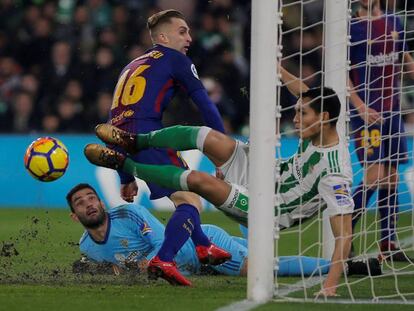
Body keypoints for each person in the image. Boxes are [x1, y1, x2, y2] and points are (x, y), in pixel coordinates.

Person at [85, 83, 354, 296]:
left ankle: (125, 163)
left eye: (301, 114)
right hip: (265, 173)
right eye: (296, 111)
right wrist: (278, 68)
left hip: (269, 207)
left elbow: (343, 235)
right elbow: (302, 91)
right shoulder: (319, 129)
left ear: (324, 118)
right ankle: (136, 141)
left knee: (200, 181)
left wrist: (330, 285)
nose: (294, 119)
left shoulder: (335, 174)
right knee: (206, 136)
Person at [104, 9, 231, 285]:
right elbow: (205, 104)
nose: (190, 38)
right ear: (163, 36)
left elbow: (113, 120)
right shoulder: (176, 60)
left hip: (122, 135)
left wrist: (125, 175)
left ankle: (203, 245)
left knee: (185, 192)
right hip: (148, 134)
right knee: (190, 199)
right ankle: (164, 258)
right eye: (182, 31)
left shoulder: (132, 64)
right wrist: (224, 152)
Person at [67, 183, 380, 284]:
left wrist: (146, 263)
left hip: (204, 245)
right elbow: (119, 265)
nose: (88, 204)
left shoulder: (130, 213)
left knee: (261, 270)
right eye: (81, 203)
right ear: (74, 215)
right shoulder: (87, 246)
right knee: (252, 250)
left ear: (101, 201)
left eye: (91, 198)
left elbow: (162, 242)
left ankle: (349, 267)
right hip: (197, 269)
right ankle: (247, 227)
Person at [348, 0, 414, 261]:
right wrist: (360, 106)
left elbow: (404, 58)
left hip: (392, 109)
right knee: (374, 176)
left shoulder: (393, 21)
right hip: (366, 112)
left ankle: (388, 243)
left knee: (391, 177)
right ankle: (344, 230)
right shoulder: (351, 27)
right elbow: (342, 73)